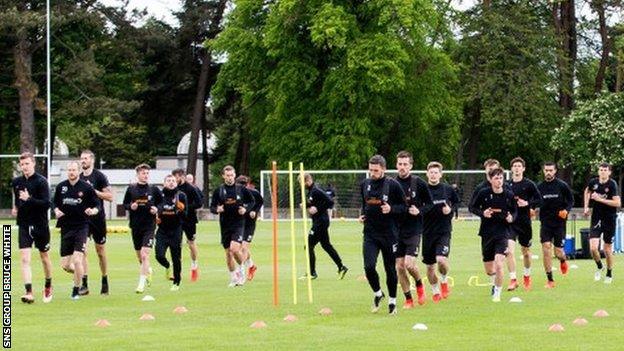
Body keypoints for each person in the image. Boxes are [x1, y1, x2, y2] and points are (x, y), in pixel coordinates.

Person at [359, 155, 405, 315]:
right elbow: (364, 205)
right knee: (369, 267)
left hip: (389, 234)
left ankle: (392, 301)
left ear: (384, 169)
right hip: (370, 234)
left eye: (376, 170)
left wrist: (391, 209)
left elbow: (403, 207)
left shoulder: (393, 185)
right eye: (370, 170)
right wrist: (362, 215)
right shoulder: (365, 184)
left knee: (390, 269)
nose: (373, 173)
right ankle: (378, 293)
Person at [53, 161, 100, 300]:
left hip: (82, 227)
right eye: (69, 170)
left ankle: (75, 290)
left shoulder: (86, 188)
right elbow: (54, 202)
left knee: (78, 259)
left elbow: (97, 204)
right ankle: (80, 274)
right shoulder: (61, 187)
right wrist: (56, 210)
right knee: (66, 265)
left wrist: (93, 210)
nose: (71, 172)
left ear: (78, 171)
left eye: (73, 170)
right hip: (66, 227)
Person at [11, 152, 53, 304]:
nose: (24, 167)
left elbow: (47, 204)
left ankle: (48, 284)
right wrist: (16, 207)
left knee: (44, 257)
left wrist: (29, 199)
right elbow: (18, 201)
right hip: (23, 224)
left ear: (33, 163)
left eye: (27, 164)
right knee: (24, 259)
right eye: (22, 164)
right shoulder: (16, 182)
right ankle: (29, 292)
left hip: (40, 225)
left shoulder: (41, 182)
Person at [470, 168, 517, 302]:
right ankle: (494, 281)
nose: (499, 181)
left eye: (501, 178)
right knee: (490, 269)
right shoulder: (483, 193)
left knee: (499, 263)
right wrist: (482, 213)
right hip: (487, 233)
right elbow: (472, 207)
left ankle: (497, 293)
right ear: (490, 180)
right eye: (496, 178)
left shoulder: (509, 195)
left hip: (502, 233)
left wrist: (511, 218)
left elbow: (515, 211)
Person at [394, 151, 432, 308]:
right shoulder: (391, 184)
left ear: (410, 165)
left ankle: (419, 285)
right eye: (400, 164)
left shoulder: (418, 183)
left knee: (409, 264)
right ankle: (408, 299)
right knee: (399, 267)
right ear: (396, 165)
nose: (402, 167)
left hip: (414, 230)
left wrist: (419, 211)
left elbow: (430, 204)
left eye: (405, 164)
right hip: (396, 231)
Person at [210, 165, 255, 287]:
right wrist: (217, 209)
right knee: (228, 254)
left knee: (234, 249)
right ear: (223, 176)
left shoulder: (241, 189)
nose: (229, 178)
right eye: (227, 175)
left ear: (234, 176)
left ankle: (241, 269)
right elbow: (212, 207)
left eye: (231, 175)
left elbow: (252, 201)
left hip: (238, 223)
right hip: (225, 225)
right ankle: (233, 278)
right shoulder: (218, 191)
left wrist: (245, 209)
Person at [123, 164, 163, 293]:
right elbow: (125, 204)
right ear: (137, 175)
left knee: (145, 255)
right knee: (140, 257)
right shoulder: (131, 189)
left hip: (149, 226)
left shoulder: (154, 189)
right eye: (143, 173)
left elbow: (162, 203)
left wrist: (157, 209)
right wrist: (131, 206)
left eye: (147, 173)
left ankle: (141, 284)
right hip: (135, 226)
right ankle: (148, 270)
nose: (145, 175)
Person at [79, 150, 113, 295]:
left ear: (92, 160)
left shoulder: (99, 176)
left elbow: (110, 196)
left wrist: (94, 192)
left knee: (100, 251)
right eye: (81, 159)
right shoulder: (78, 178)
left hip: (98, 218)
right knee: (82, 250)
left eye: (86, 158)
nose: (83, 161)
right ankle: (84, 284)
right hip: (83, 220)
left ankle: (104, 279)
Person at [423, 162, 459, 302]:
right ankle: (435, 291)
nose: (433, 175)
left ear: (440, 174)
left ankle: (444, 280)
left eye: (436, 172)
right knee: (430, 266)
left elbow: (456, 203)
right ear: (427, 174)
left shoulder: (448, 189)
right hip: (427, 232)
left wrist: (450, 210)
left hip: (443, 231)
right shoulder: (422, 190)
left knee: (441, 260)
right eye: (431, 172)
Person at [302, 173, 348, 280]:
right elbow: (313, 204)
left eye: (302, 182)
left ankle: (312, 273)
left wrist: (317, 208)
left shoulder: (316, 190)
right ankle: (341, 267)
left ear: (308, 180)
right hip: (318, 222)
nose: (302, 185)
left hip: (321, 222)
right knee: (326, 245)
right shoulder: (310, 192)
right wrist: (306, 205)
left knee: (308, 245)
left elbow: (330, 201)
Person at [505, 157, 541, 291]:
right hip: (510, 223)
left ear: (523, 169)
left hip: (525, 223)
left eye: (519, 166)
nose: (517, 168)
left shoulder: (529, 184)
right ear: (511, 169)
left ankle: (527, 275)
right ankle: (513, 279)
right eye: (514, 166)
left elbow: (539, 200)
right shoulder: (506, 185)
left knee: (525, 252)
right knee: (509, 251)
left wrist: (528, 204)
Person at [537, 162, 573, 289]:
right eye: (546, 170)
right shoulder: (539, 187)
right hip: (545, 223)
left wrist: (566, 211)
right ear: (543, 171)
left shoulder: (562, 186)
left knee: (558, 252)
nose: (548, 172)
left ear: (555, 171)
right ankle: (550, 279)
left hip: (559, 223)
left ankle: (563, 260)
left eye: (550, 170)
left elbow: (570, 200)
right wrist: (531, 209)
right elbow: (534, 201)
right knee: (546, 248)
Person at [584, 163, 621, 284]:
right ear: (598, 171)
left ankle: (609, 273)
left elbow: (617, 203)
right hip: (596, 218)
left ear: (609, 172)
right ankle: (600, 266)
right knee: (593, 248)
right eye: (601, 170)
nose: (603, 172)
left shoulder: (612, 184)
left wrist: (600, 199)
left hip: (609, 218)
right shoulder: (593, 182)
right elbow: (587, 191)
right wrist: (586, 207)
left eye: (605, 170)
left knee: (607, 249)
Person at [155, 175, 187, 291]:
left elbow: (185, 216)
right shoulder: (159, 195)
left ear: (176, 183)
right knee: (159, 255)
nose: (171, 183)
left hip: (176, 230)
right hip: (162, 230)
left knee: (176, 257)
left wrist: (181, 210)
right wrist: (155, 216)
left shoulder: (181, 195)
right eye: (168, 181)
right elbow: (154, 210)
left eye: (173, 181)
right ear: (164, 183)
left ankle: (176, 282)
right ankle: (167, 266)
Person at [172, 168, 202, 282]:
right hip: (177, 220)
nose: (174, 179)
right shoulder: (173, 188)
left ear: (182, 177)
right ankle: (176, 271)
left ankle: (194, 265)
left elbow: (199, 203)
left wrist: (186, 207)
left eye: (176, 177)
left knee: (191, 243)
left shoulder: (191, 188)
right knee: (176, 244)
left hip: (189, 220)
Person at [236, 175, 263, 280]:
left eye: (244, 185)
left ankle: (240, 270)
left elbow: (260, 201)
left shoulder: (254, 193)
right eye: (240, 185)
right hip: (239, 223)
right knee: (239, 248)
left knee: (243, 248)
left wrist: (255, 211)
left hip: (250, 224)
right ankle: (251, 266)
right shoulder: (236, 194)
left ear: (247, 185)